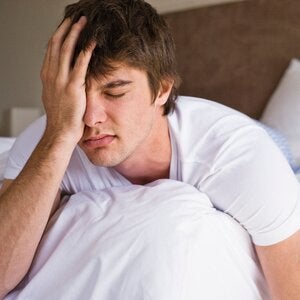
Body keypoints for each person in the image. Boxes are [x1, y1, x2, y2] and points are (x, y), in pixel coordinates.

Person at [0, 0, 299, 299]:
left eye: (114, 92)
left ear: (163, 89)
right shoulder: (50, 135)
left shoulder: (240, 157)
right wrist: (58, 137)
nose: (91, 118)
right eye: (76, 93)